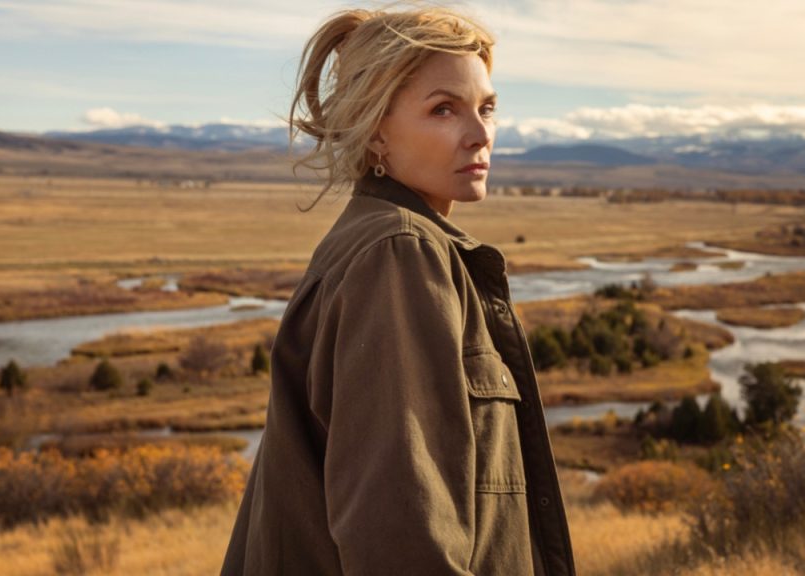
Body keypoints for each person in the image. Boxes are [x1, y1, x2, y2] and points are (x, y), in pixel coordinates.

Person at [221, 5, 576, 575]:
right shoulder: (400, 253)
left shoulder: (377, 240)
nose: (479, 134)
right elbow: (402, 540)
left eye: (487, 108)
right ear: (376, 129)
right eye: (443, 110)